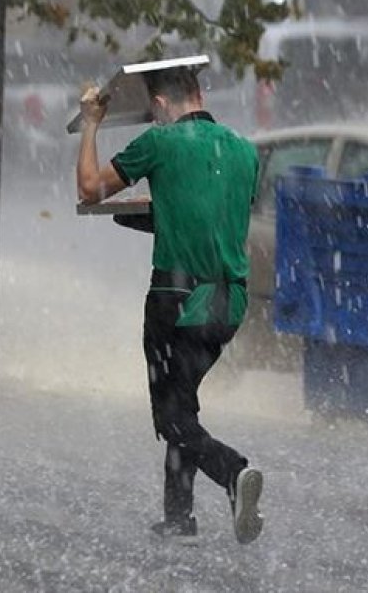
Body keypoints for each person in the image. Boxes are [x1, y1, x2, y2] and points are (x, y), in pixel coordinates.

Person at [75, 64, 264, 545]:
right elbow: (211, 216)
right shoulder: (244, 151)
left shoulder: (159, 143)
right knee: (183, 404)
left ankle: (232, 472)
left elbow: (89, 188)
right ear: (199, 92)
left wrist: (92, 122)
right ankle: (179, 517)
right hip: (228, 305)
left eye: (153, 111)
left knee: (172, 418)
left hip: (176, 301)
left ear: (159, 104)